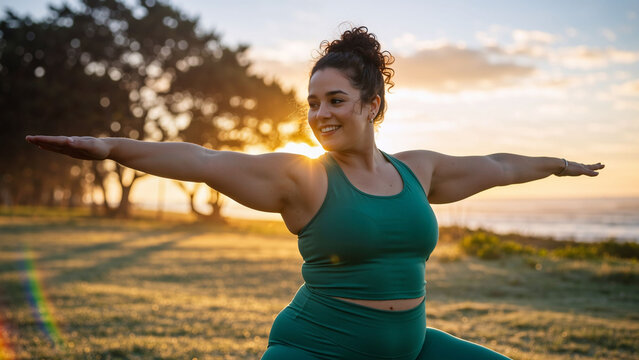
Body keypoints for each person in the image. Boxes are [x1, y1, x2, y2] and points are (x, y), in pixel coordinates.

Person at [26, 26, 604, 360]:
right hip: (317, 351)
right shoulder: (300, 178)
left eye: (334, 100)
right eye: (311, 103)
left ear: (371, 105)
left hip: (411, 347)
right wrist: (106, 146)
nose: (319, 114)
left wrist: (557, 164)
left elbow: (498, 164)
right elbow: (203, 160)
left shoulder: (419, 172)